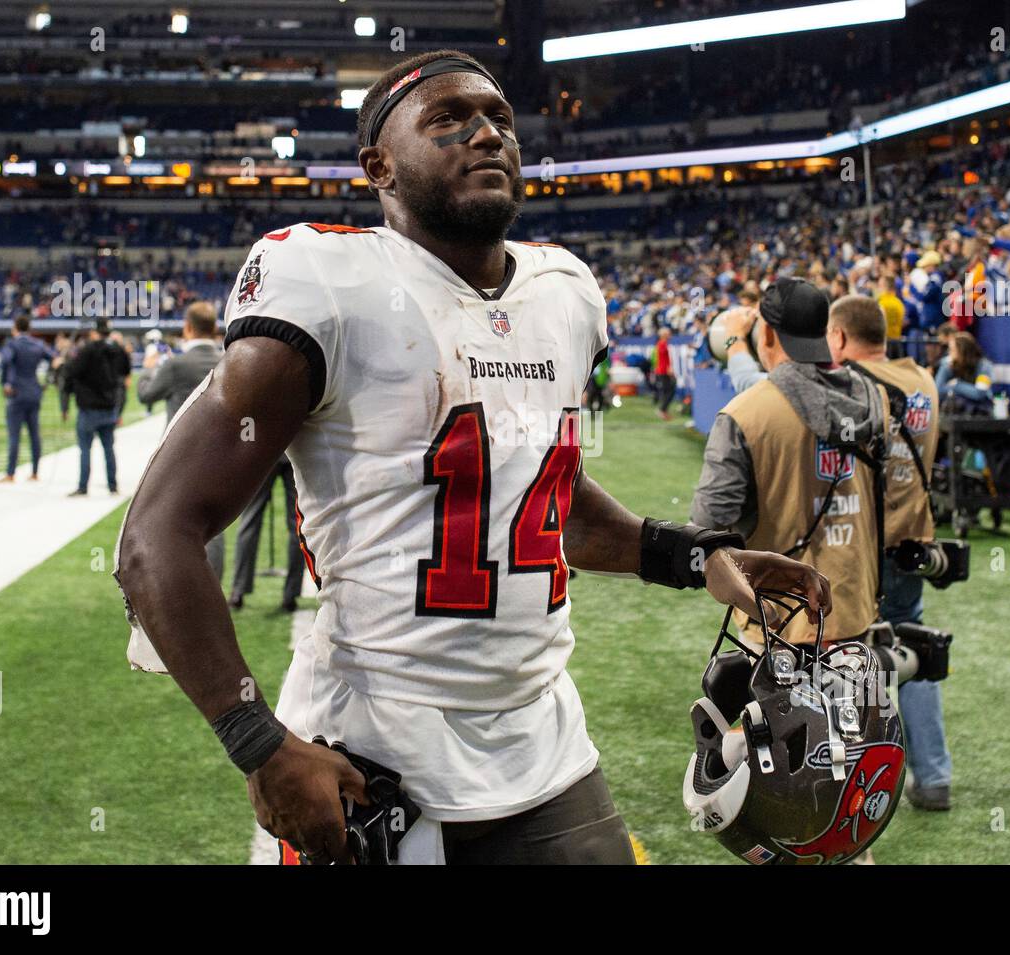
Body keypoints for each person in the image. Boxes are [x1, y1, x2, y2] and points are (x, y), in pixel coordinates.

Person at [112, 49, 829, 867]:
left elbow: (541, 493)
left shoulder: (564, 293)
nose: (485, 134)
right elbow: (155, 533)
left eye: (499, 121)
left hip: (543, 740)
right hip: (372, 752)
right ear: (379, 166)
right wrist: (257, 741)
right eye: (447, 122)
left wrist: (693, 554)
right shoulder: (331, 284)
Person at [691, 277, 882, 645]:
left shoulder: (744, 414)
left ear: (767, 336)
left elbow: (706, 528)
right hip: (856, 612)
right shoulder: (873, 398)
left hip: (779, 620)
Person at [826, 294, 953, 811]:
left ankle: (862, 787)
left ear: (839, 337)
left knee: (854, 658)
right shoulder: (923, 379)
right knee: (915, 651)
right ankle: (934, 777)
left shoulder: (852, 386)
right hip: (913, 540)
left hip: (863, 543)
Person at [136, 301, 226, 578]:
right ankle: (214, 585)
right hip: (222, 453)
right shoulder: (228, 361)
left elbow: (146, 395)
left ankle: (183, 583)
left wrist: (149, 368)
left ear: (188, 328)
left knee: (175, 524)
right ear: (213, 329)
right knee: (215, 525)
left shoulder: (176, 365)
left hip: (181, 458)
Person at [227, 455, 305, 613]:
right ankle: (291, 596)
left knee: (249, 520)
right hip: (295, 452)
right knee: (297, 526)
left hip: (265, 452)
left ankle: (238, 591)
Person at [64, 319, 130, 497]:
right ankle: (113, 486)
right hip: (110, 406)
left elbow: (74, 372)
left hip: (89, 407)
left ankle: (83, 486)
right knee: (109, 448)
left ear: (95, 332)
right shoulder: (117, 349)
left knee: (85, 449)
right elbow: (125, 371)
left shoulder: (88, 349)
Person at [0, 315, 55, 482]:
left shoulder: (12, 344)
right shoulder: (38, 344)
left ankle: (10, 473)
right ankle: (35, 472)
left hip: (17, 393)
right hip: (34, 391)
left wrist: (6, 382)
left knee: (14, 435)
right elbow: (55, 359)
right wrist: (47, 382)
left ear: (15, 327)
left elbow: (6, 361)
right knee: (34, 434)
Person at [935, 330, 993, 409]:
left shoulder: (985, 366)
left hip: (981, 410)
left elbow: (979, 393)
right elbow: (938, 390)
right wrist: (945, 367)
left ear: (962, 352)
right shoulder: (948, 364)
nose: (949, 353)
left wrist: (957, 385)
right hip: (957, 410)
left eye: (952, 350)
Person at [652, 326, 676, 420]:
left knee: (667, 390)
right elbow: (664, 359)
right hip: (663, 371)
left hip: (662, 370)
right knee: (670, 390)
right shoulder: (662, 344)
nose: (670, 335)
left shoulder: (661, 344)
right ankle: (662, 409)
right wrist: (669, 369)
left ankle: (664, 410)